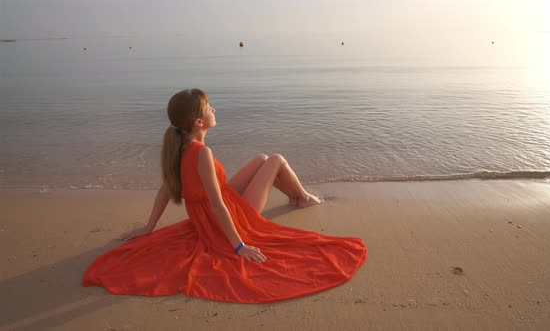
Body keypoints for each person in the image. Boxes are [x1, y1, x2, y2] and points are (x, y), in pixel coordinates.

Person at [82, 88, 367, 303]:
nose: (214, 110)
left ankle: (299, 196)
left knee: (261, 158)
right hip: (229, 216)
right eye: (209, 108)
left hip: (212, 205)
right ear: (198, 122)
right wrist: (239, 245)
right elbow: (218, 206)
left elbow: (166, 190)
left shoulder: (178, 147)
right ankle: (302, 197)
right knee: (276, 159)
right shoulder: (201, 153)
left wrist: (149, 227)